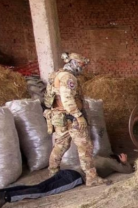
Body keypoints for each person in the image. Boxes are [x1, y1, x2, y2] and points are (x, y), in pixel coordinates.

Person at [0, 154, 132, 208]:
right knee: (41, 191)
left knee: (37, 186)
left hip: (67, 171)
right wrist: (125, 162)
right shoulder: (110, 161)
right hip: (75, 177)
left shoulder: (100, 155)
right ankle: (4, 197)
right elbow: (127, 170)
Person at [44, 52, 108, 187]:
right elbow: (67, 100)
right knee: (85, 147)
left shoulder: (58, 75)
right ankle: (92, 178)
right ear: (72, 63)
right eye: (80, 64)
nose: (82, 67)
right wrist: (79, 116)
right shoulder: (68, 77)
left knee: (61, 145)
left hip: (59, 117)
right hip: (71, 118)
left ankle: (53, 173)